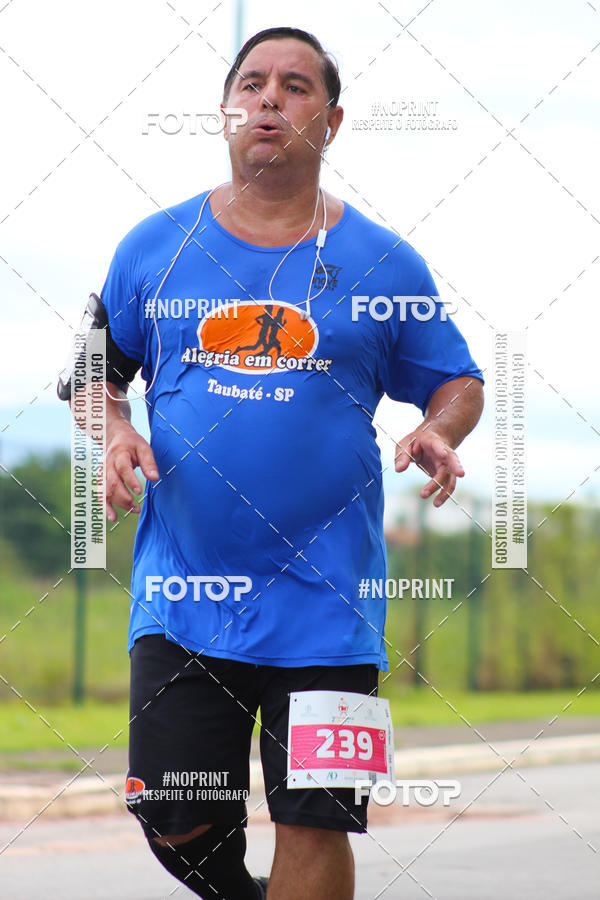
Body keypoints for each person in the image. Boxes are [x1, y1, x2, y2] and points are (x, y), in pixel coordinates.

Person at [64, 26, 484, 900]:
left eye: (295, 87)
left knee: (317, 818)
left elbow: (458, 380)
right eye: (251, 83)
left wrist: (441, 427)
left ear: (330, 122)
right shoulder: (154, 247)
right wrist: (112, 431)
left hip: (331, 607)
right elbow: (92, 376)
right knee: (175, 817)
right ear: (226, 111)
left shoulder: (383, 261)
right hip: (185, 597)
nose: (268, 99)